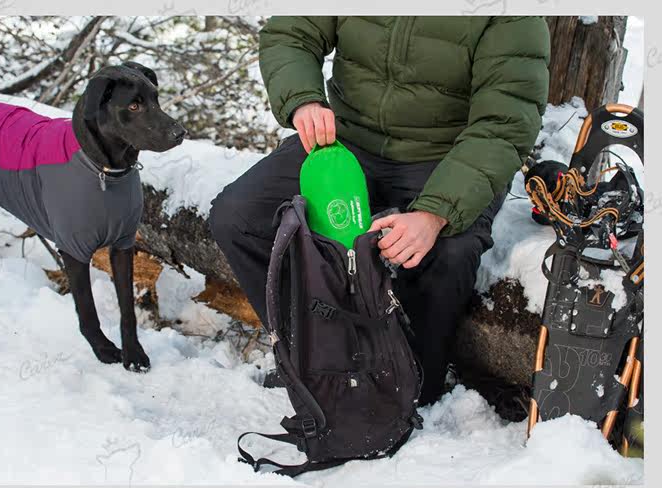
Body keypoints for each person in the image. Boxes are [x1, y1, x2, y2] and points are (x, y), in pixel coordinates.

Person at [210, 16, 550, 405]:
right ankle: (313, 358)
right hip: (346, 142)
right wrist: (303, 98)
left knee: (447, 254)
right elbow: (292, 31)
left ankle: (411, 388)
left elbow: (503, 126)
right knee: (239, 217)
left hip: (447, 159)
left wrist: (434, 213)